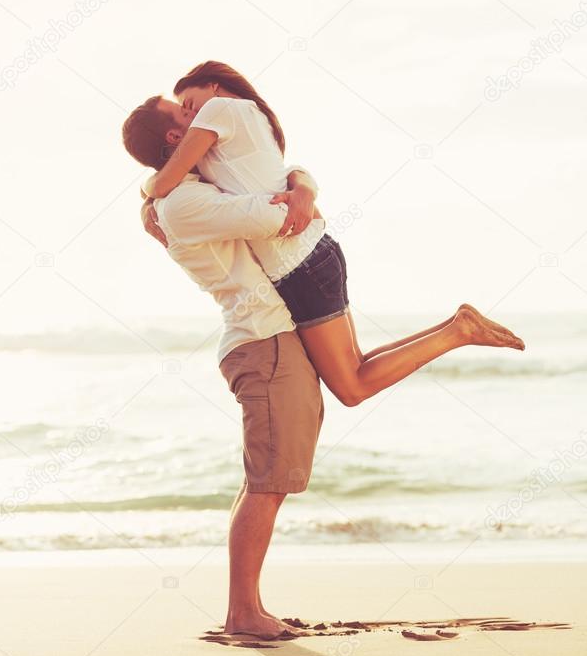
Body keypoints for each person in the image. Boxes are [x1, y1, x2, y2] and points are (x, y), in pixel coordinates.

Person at [140, 61, 526, 407]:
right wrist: (303, 183)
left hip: (300, 265)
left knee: (351, 389)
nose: (190, 115)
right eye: (183, 111)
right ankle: (456, 326)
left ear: (216, 88)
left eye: (190, 103)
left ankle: (458, 332)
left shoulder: (222, 110)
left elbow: (163, 184)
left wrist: (148, 196)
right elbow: (275, 172)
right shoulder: (232, 127)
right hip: (308, 258)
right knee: (354, 366)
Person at [123, 100, 323, 639]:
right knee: (267, 483)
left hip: (263, 337)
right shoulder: (184, 200)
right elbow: (278, 217)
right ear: (173, 136)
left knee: (264, 480)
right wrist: (301, 194)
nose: (202, 120)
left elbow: (282, 193)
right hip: (264, 339)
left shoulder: (180, 193)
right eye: (185, 115)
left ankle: (248, 606)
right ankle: (243, 613)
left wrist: (300, 180)